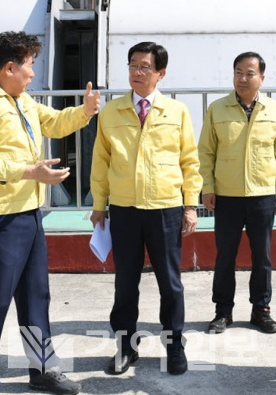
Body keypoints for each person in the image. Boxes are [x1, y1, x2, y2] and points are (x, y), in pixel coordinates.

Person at [0, 31, 101, 395]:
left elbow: (53, 122)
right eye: (29, 66)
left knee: (36, 297)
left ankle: (42, 369)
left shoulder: (20, 99)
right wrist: (29, 172)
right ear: (8, 68)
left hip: (30, 213)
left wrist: (84, 112)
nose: (32, 74)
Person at [89, 42, 202, 376]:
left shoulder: (176, 111)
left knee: (171, 283)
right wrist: (99, 204)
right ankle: (126, 348)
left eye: (144, 67)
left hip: (165, 208)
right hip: (124, 209)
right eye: (132, 66)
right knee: (125, 284)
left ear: (160, 73)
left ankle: (175, 346)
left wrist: (190, 205)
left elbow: (189, 161)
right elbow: (100, 161)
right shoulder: (112, 111)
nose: (136, 73)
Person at [198, 51, 276, 335]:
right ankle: (222, 311)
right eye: (238, 72)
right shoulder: (217, 108)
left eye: (250, 73)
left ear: (262, 78)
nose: (243, 78)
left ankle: (260, 310)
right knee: (225, 255)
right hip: (226, 195)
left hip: (262, 194)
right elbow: (206, 152)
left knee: (261, 256)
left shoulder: (274, 110)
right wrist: (207, 188)